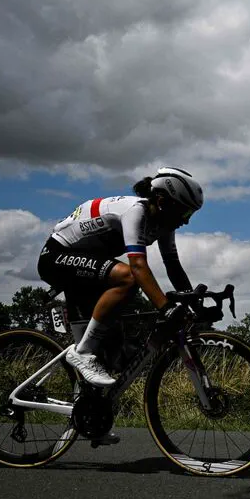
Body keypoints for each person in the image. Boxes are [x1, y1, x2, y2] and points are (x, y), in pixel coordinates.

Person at [38, 167, 204, 390]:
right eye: (185, 213)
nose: (186, 222)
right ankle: (82, 352)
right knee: (127, 279)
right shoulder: (135, 211)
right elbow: (137, 266)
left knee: (114, 349)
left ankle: (84, 412)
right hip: (57, 256)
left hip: (89, 261)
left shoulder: (164, 223)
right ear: (163, 201)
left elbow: (173, 265)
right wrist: (166, 308)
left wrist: (192, 302)